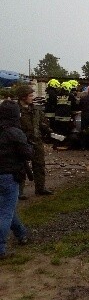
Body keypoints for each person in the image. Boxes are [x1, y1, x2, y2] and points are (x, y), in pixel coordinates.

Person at [0, 100, 32, 258]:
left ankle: (21, 234)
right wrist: (30, 146)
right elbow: (27, 154)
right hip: (9, 175)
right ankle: (0, 248)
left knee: (7, 208)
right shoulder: (15, 132)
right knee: (5, 212)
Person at [15, 85, 53, 198]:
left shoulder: (36, 109)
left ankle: (40, 188)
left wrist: (50, 132)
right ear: (23, 97)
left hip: (37, 141)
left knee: (39, 165)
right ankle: (18, 192)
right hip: (22, 142)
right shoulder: (15, 110)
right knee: (21, 166)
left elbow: (43, 123)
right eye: (30, 95)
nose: (33, 97)